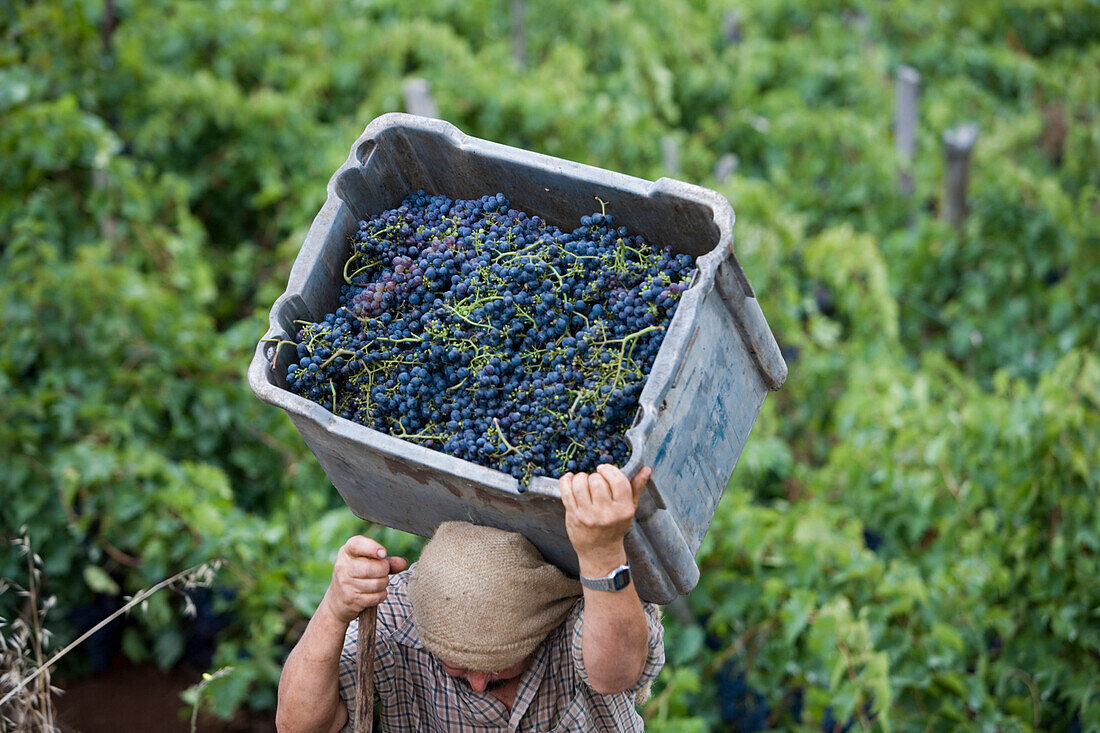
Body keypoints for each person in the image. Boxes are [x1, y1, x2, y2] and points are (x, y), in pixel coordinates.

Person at [275, 464, 665, 732]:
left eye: (498, 665)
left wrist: (602, 554)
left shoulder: (582, 608)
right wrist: (335, 609)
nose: (478, 683)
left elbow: (615, 675)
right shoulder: (402, 617)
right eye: (458, 667)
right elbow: (299, 727)